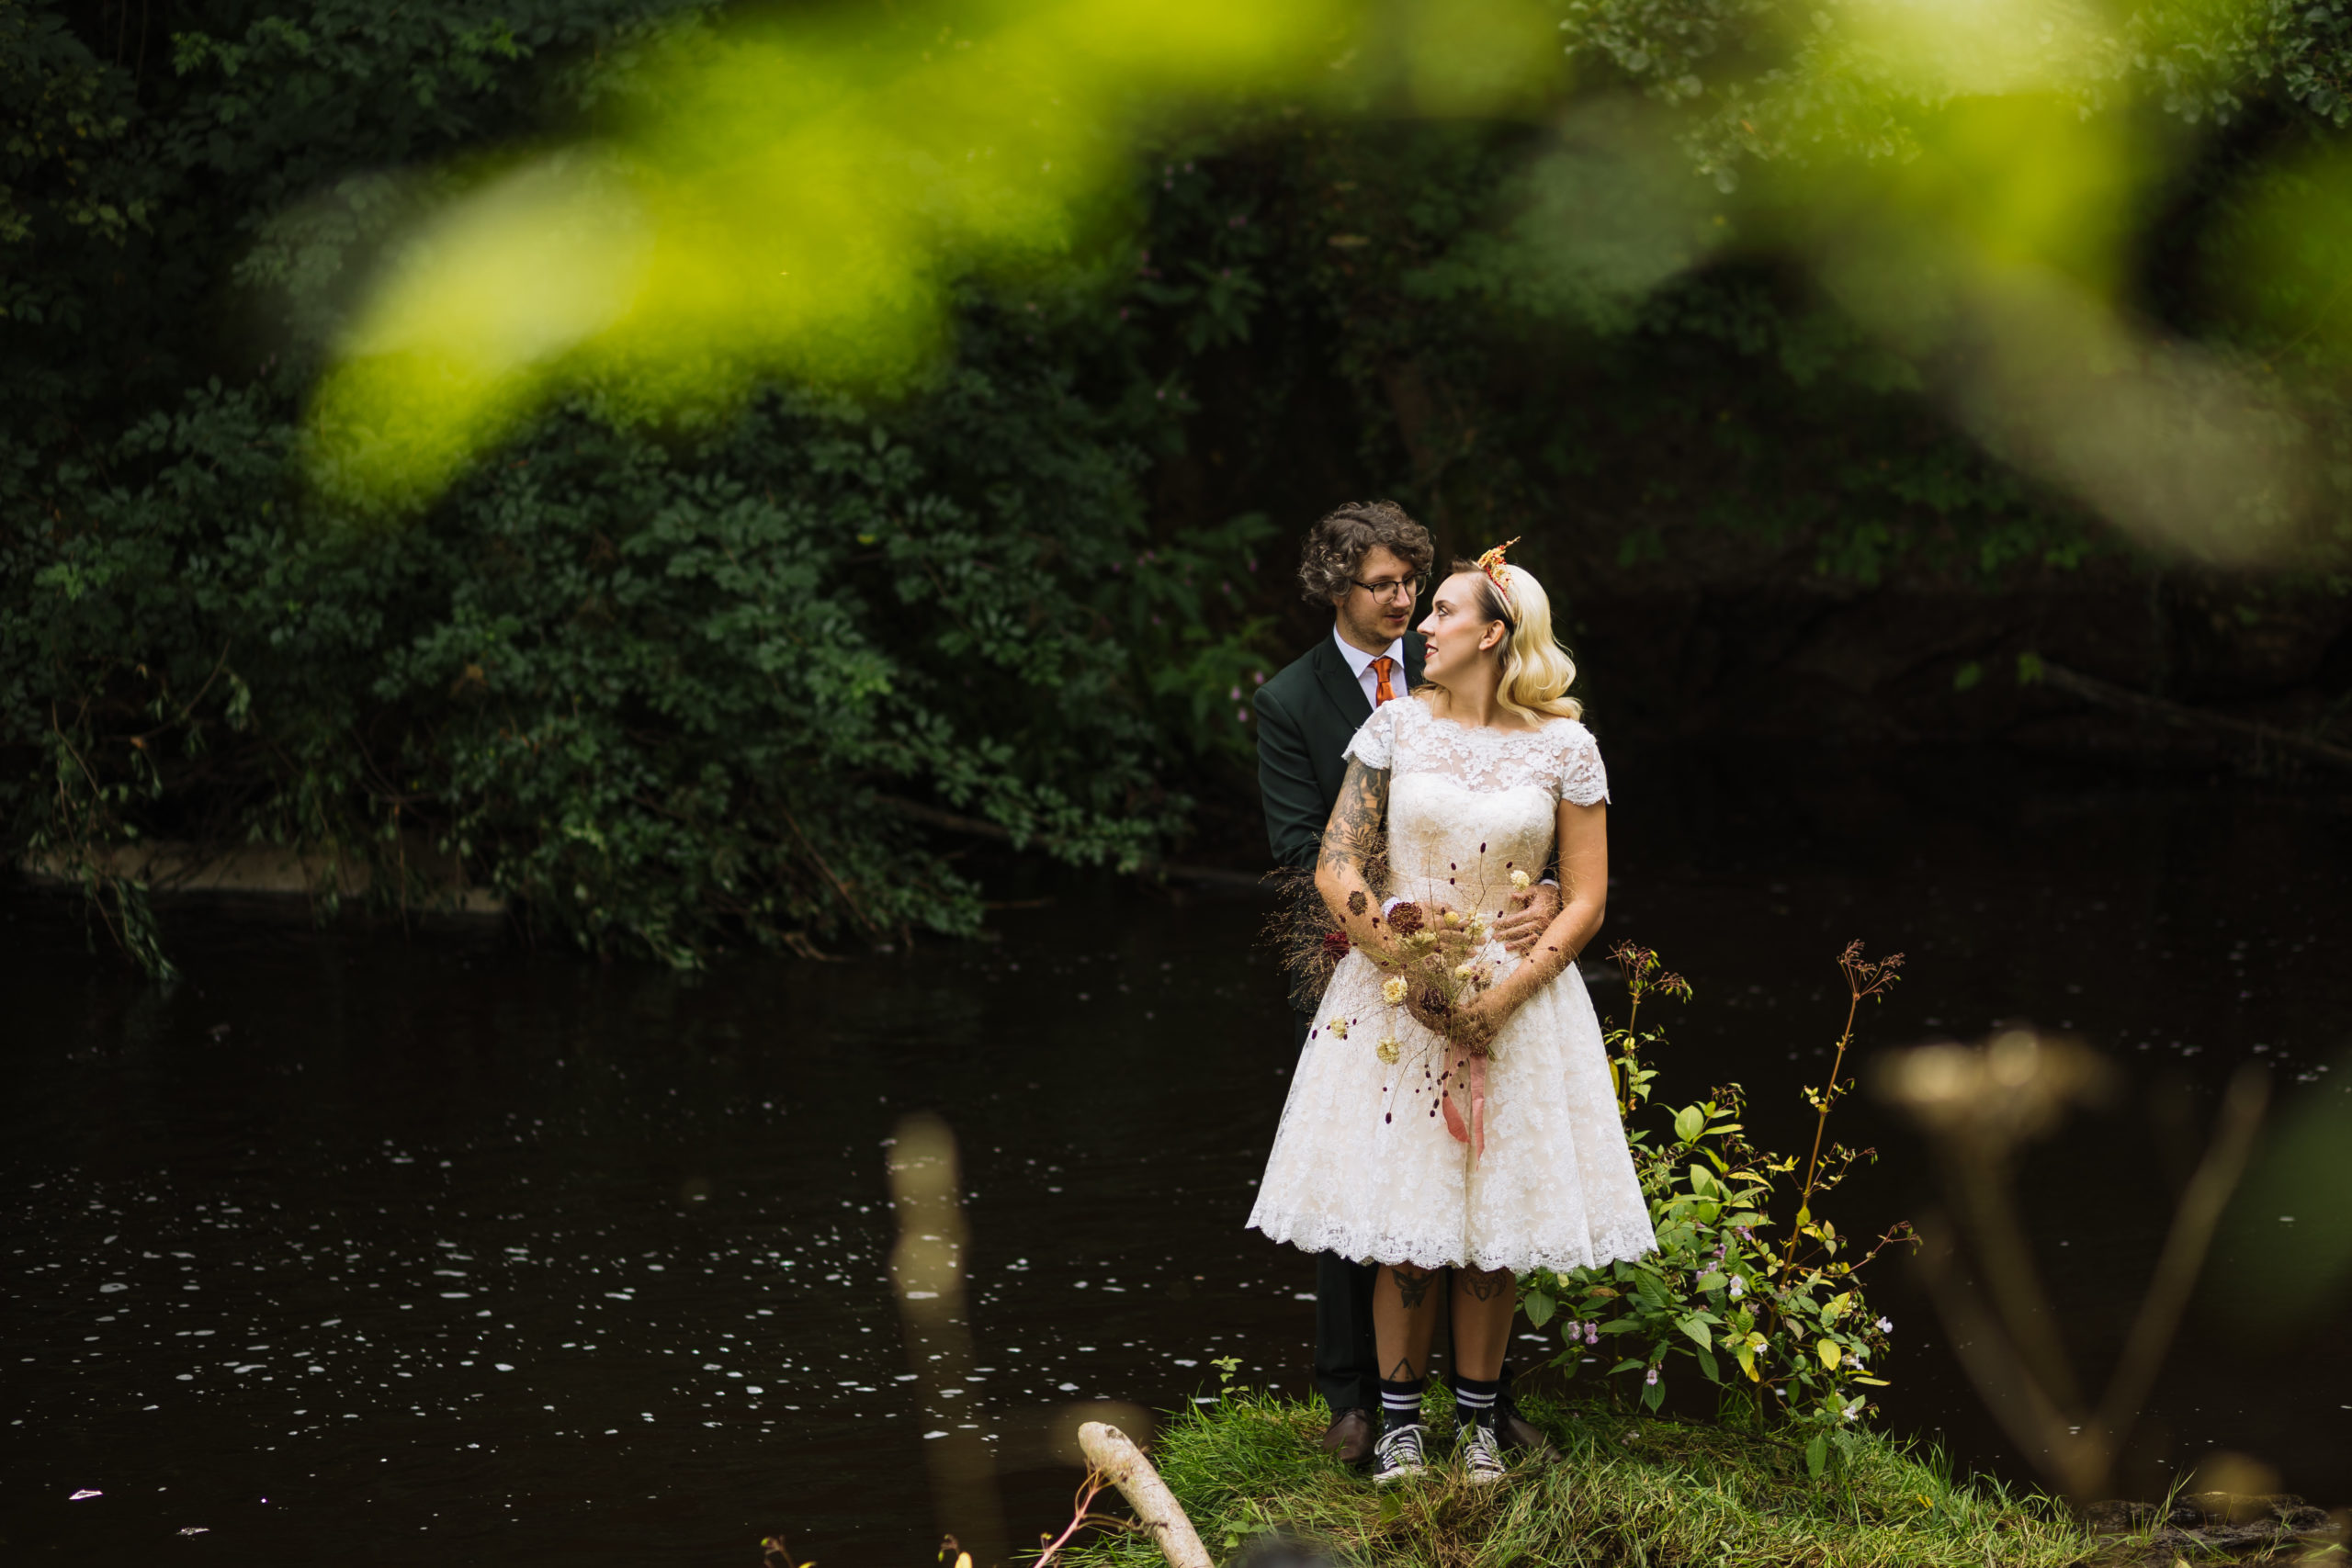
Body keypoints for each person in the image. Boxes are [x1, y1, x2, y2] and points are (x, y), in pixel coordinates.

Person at [1249, 543, 1656, 1486]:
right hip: (1400, 998)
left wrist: (1508, 991)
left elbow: (1588, 896)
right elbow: (1335, 865)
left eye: (1441, 612)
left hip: (1520, 1000)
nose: (1420, 625)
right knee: (1406, 1216)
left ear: (1494, 634)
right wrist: (1410, 968)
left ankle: (1476, 1424)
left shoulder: (1566, 746)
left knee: (1494, 1217)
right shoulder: (1393, 728)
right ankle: (1398, 1426)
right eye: (1420, 609)